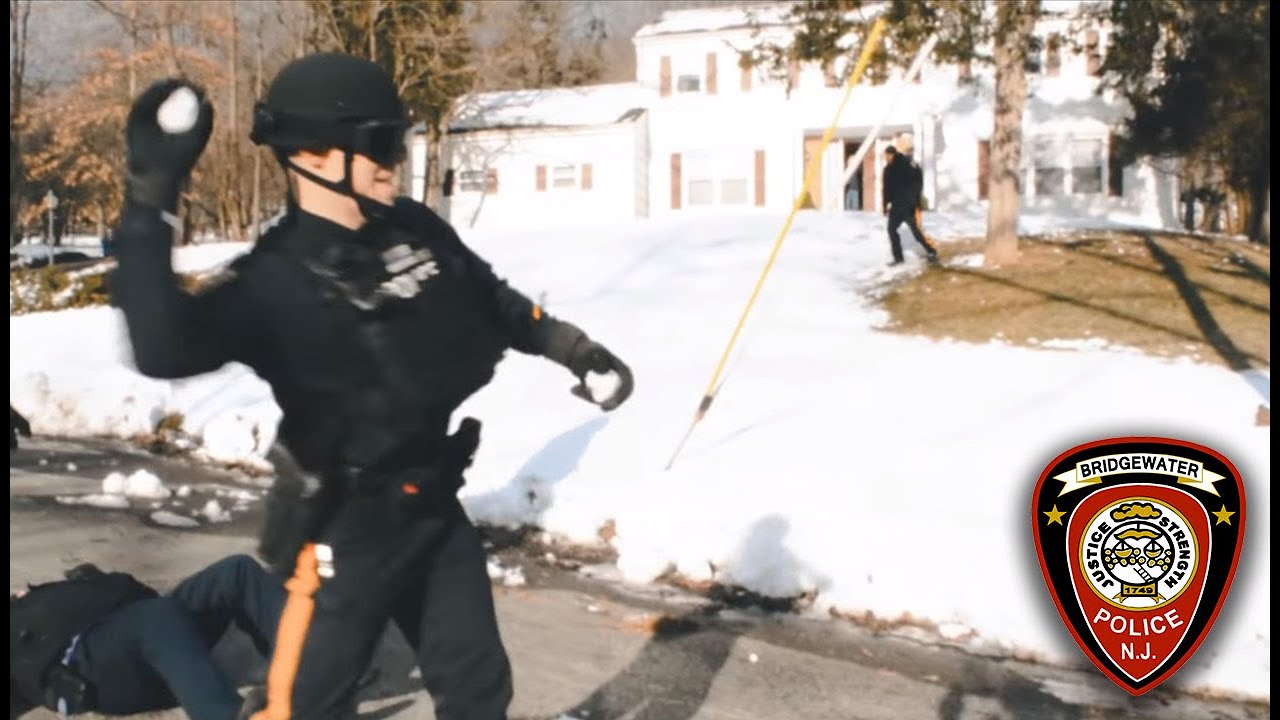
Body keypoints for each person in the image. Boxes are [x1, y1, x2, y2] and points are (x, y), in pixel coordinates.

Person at [110, 53, 635, 720]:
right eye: (381, 144)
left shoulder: (414, 227)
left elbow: (489, 297)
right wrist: (151, 195)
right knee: (308, 704)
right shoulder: (272, 280)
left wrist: (572, 348)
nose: (395, 160)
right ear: (318, 157)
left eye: (399, 141)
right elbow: (162, 348)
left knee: (477, 688)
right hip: (345, 528)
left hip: (433, 506)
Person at [10, 555, 284, 720]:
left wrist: (92, 582)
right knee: (156, 617)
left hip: (134, 625)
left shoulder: (35, 598)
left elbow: (137, 593)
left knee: (236, 572)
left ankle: (311, 671)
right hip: (92, 672)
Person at [882, 144, 938, 266]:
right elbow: (886, 189)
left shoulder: (907, 164)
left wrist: (915, 199)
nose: (885, 157)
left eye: (886, 155)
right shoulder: (887, 169)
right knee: (891, 229)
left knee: (916, 230)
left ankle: (931, 251)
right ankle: (898, 258)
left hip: (908, 205)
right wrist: (885, 205)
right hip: (896, 206)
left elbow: (918, 180)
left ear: (891, 154)